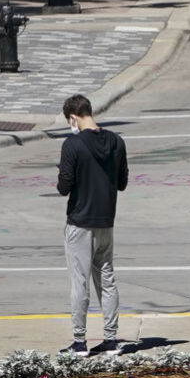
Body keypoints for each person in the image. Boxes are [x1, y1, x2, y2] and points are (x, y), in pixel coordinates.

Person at [57, 94, 130, 356]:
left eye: (69, 121)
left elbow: (63, 187)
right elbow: (122, 183)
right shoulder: (117, 141)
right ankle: (110, 339)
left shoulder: (72, 145)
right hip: (105, 220)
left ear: (73, 117)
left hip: (80, 221)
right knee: (107, 279)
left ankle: (79, 342)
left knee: (80, 282)